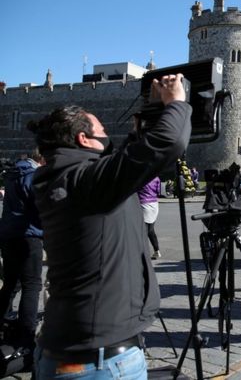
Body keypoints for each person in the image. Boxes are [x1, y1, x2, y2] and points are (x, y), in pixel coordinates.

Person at [28, 73, 191, 379]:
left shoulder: (63, 178)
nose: (108, 138)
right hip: (100, 362)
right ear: (83, 139)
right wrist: (177, 104)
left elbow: (124, 165)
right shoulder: (85, 181)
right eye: (102, 131)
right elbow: (169, 143)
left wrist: (145, 123)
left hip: (67, 349)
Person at [0, 151, 45, 358]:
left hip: (8, 234)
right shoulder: (32, 175)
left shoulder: (12, 173)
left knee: (10, 283)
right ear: (40, 159)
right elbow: (38, 205)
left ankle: (2, 324)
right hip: (29, 235)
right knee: (32, 285)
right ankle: (26, 335)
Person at [137, 176, 162, 260]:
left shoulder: (141, 177)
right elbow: (158, 192)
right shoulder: (156, 178)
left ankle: (143, 254)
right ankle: (156, 251)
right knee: (151, 230)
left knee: (143, 232)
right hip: (154, 204)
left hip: (144, 203)